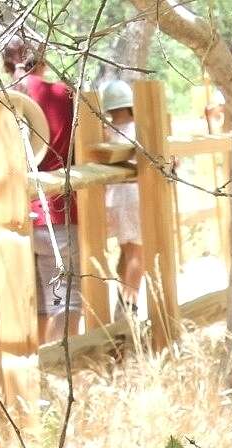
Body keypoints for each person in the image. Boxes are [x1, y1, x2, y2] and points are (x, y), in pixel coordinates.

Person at [2, 37, 79, 344]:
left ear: (7, 66)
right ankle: (63, 370)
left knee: (33, 305)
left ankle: (35, 376)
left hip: (14, 218)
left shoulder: (0, 100)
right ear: (43, 61)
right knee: (65, 302)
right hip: (58, 211)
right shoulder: (65, 95)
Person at [99, 78, 141, 314]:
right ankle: (129, 307)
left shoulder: (106, 132)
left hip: (113, 197)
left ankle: (122, 301)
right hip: (134, 194)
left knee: (126, 252)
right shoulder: (139, 128)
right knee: (137, 253)